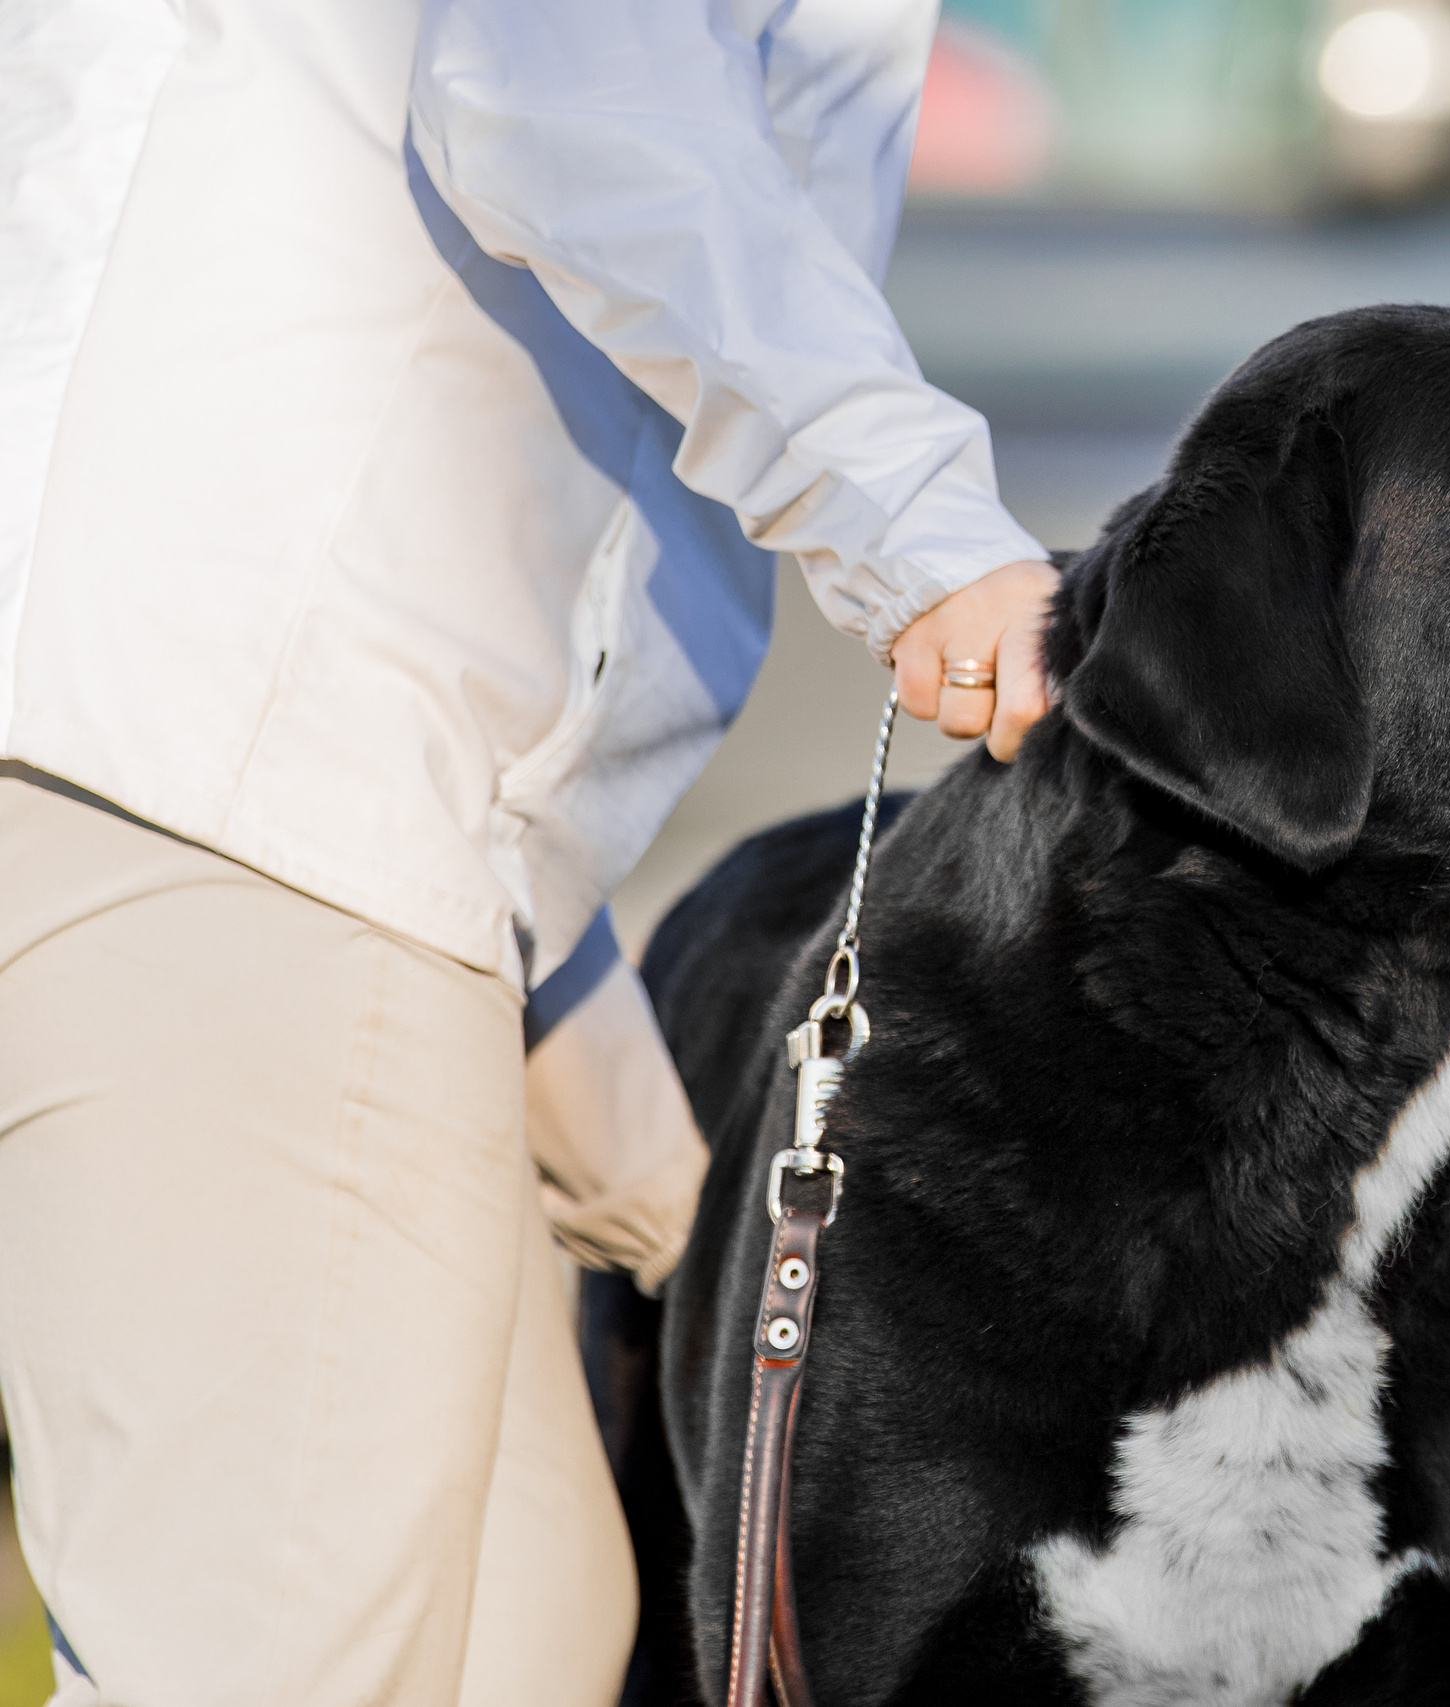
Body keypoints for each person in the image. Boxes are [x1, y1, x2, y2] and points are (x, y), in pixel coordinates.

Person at [0, 2, 1056, 1701]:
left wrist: (690, 1206)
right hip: (251, 784)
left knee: (530, 1627)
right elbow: (556, 79)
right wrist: (928, 538)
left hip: (321, 821)